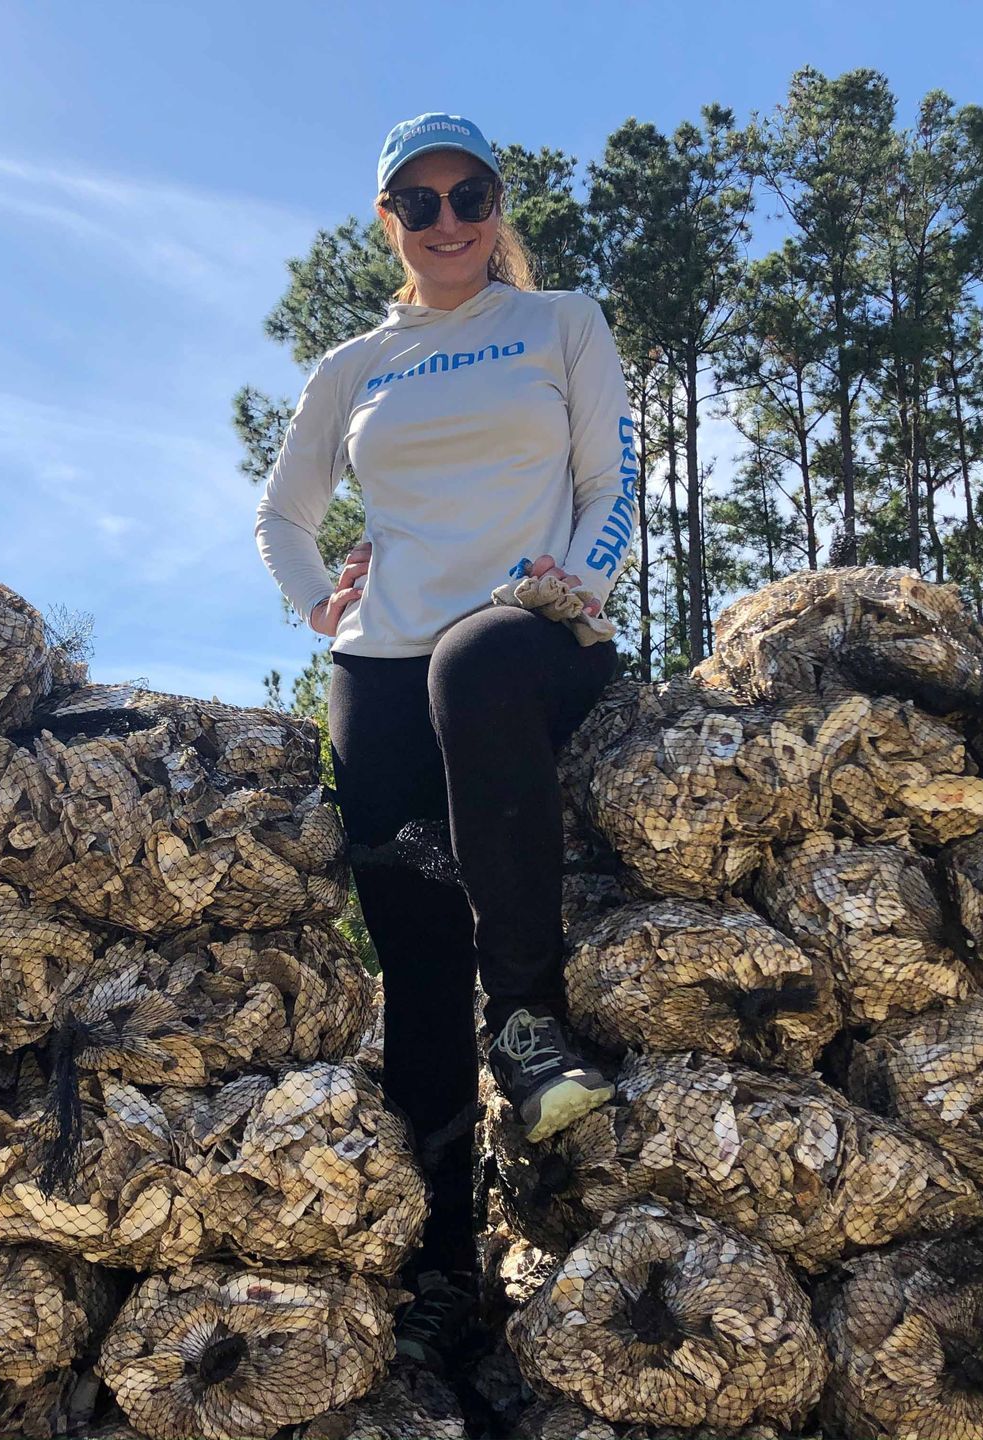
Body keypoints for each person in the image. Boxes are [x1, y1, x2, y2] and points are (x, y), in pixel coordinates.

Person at [253, 111, 638, 1360]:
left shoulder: (561, 322)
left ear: (497, 202)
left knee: (476, 658)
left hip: (530, 638)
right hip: (380, 670)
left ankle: (526, 1024)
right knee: (415, 974)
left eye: (469, 193)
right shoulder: (352, 365)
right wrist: (317, 602)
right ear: (389, 224)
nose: (450, 219)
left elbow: (608, 486)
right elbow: (283, 515)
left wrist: (581, 585)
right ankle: (436, 1281)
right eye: (418, 203)